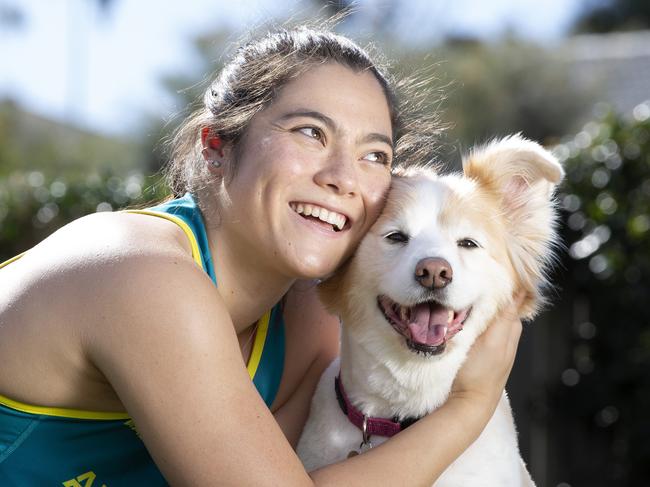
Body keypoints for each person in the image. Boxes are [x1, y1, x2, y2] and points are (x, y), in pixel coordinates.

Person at [0, 25, 523, 485]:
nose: (341, 176)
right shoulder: (139, 273)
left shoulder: (310, 316)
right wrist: (469, 408)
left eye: (374, 155)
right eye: (310, 133)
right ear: (215, 147)